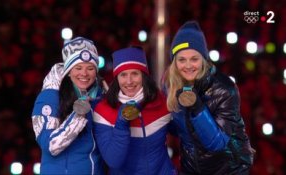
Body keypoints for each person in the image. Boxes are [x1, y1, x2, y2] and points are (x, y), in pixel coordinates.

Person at [163, 21, 255, 174]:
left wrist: (197, 108)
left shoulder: (225, 89)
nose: (188, 65)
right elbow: (178, 128)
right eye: (181, 59)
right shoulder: (170, 84)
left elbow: (217, 143)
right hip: (192, 168)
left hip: (228, 169)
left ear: (204, 59)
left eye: (194, 59)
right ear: (174, 62)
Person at [93, 46, 177, 174]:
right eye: (123, 75)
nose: (129, 81)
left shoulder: (161, 101)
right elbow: (113, 160)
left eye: (135, 74)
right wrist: (122, 122)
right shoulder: (103, 110)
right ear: (117, 78)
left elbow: (184, 134)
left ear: (144, 76)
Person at [31, 37, 106, 175]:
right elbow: (50, 145)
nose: (84, 73)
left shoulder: (100, 96)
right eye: (78, 68)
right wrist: (79, 114)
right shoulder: (50, 96)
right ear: (68, 70)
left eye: (90, 68)